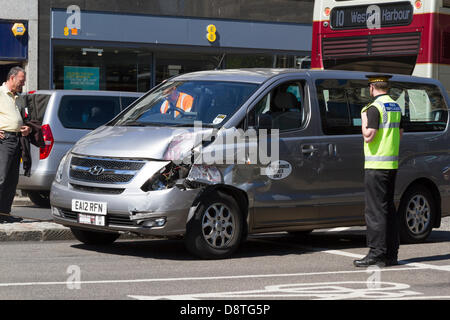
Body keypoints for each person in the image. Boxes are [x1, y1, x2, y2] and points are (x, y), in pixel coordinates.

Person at [353, 74, 403, 268]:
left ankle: (376, 253)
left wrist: (363, 120)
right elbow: (400, 133)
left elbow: (368, 136)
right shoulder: (395, 106)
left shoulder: (373, 108)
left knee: (375, 212)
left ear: (372, 88)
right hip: (391, 165)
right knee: (388, 209)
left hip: (376, 165)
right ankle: (391, 254)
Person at [0, 67, 31, 223]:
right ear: (12, 78)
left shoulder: (19, 97)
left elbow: (23, 118)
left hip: (17, 140)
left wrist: (27, 127)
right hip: (3, 140)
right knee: (1, 178)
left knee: (12, 180)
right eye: (21, 81)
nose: (23, 84)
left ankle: (5, 213)